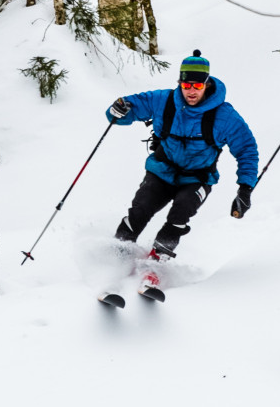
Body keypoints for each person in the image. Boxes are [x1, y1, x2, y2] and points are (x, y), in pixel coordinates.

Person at [106, 49, 259, 258]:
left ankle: (157, 261)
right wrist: (118, 111)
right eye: (186, 85)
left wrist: (245, 189)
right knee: (140, 209)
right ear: (180, 83)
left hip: (197, 178)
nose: (191, 91)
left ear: (207, 84)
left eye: (197, 86)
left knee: (181, 212)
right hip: (162, 170)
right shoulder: (163, 100)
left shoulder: (225, 116)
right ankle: (117, 255)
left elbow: (247, 149)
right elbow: (126, 108)